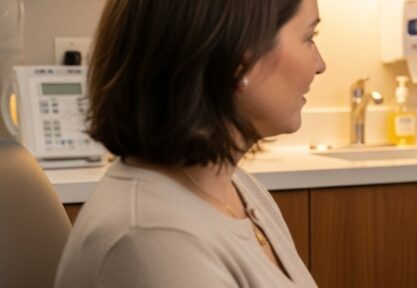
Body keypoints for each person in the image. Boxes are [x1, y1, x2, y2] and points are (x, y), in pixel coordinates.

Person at [54, 0, 325, 286]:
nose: (320, 65)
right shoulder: (154, 244)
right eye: (309, 37)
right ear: (239, 60)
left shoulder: (237, 187)